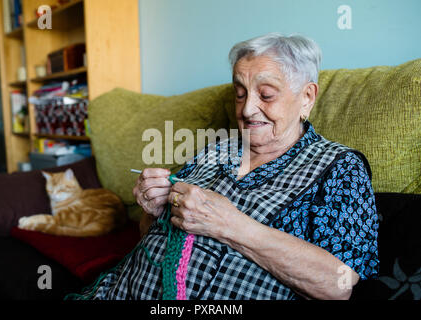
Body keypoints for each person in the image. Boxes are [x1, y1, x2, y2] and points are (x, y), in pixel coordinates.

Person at [72, 33, 379, 300]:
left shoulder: (339, 167)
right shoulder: (214, 150)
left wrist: (232, 226)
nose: (246, 108)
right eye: (240, 93)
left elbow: (341, 285)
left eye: (266, 95)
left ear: (307, 98)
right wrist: (151, 212)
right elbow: (150, 240)